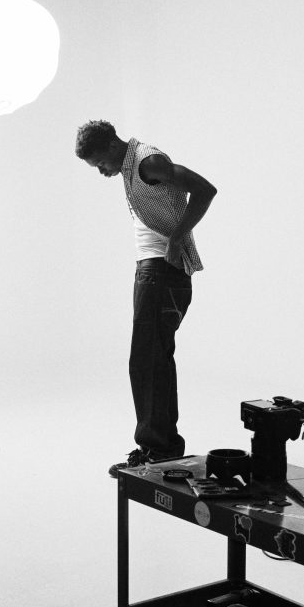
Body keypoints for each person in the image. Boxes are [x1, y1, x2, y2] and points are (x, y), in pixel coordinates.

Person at [74, 120, 217, 477]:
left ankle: (159, 449)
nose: (102, 172)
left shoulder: (146, 162)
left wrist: (175, 238)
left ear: (110, 147)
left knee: (148, 361)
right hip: (155, 272)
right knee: (153, 359)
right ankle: (163, 448)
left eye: (99, 164)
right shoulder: (131, 165)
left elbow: (205, 190)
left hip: (161, 273)